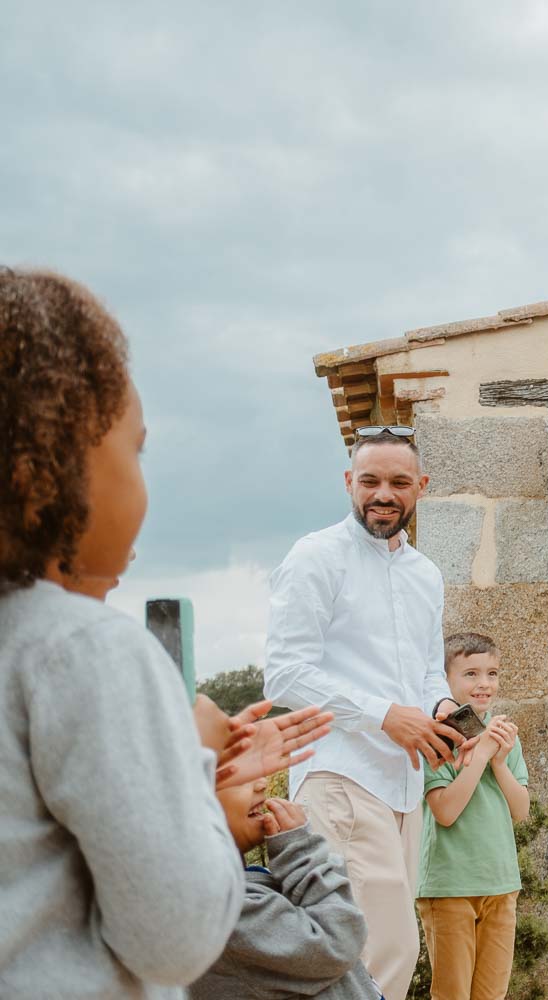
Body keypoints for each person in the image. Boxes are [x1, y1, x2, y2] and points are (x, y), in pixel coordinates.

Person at [0, 267, 318, 998]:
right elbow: (176, 934)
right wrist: (186, 757)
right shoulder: (88, 650)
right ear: (54, 462)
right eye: (134, 449)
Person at [264, 427, 473, 1000]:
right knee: (381, 950)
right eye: (370, 480)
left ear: (421, 486)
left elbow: (428, 673)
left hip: (404, 788)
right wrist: (384, 716)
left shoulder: (425, 574)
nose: (383, 493)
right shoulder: (315, 556)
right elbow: (284, 672)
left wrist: (443, 708)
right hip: (340, 776)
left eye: (399, 482)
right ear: (348, 482)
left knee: (383, 955)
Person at [417, 633, 530, 1000]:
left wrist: (498, 761)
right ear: (444, 681)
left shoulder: (505, 737)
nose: (484, 684)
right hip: (450, 887)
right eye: (471, 674)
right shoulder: (436, 737)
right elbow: (445, 812)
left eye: (492, 673)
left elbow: (521, 811)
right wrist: (479, 755)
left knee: (491, 995)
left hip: (501, 884)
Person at [191, 785, 380, 1000]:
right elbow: (339, 939)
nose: (261, 783)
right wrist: (302, 852)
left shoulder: (235, 893)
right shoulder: (225, 914)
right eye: (239, 779)